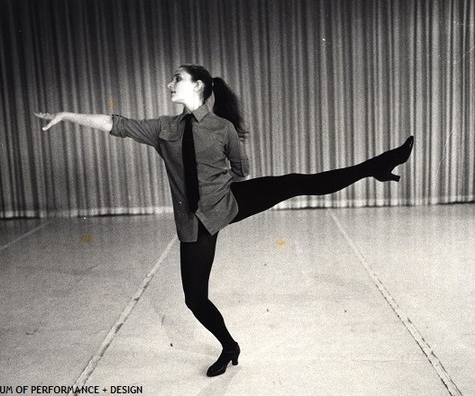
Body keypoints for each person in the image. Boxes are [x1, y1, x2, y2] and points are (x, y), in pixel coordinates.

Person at [35, 64, 414, 377]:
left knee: (300, 182)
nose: (170, 84)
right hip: (195, 223)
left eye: (177, 79)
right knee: (194, 298)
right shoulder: (163, 129)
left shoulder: (223, 128)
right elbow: (114, 123)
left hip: (229, 203)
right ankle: (229, 346)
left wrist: (217, 185)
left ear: (197, 86)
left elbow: (242, 170)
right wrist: (67, 116)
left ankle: (377, 165)